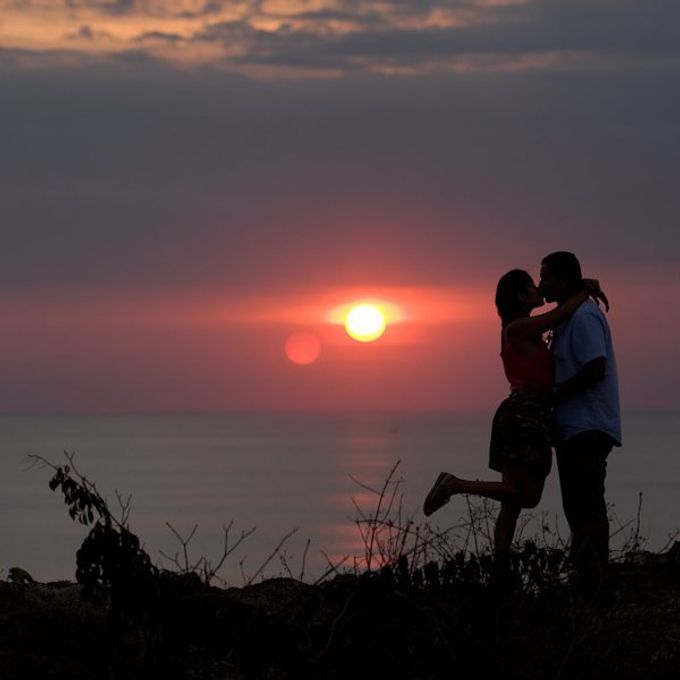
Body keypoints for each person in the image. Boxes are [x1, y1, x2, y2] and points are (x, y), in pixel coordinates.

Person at [422, 269, 606, 576]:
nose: (539, 289)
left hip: (519, 412)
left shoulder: (520, 329)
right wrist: (584, 291)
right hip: (527, 413)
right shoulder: (517, 328)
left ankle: (500, 568)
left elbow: (553, 318)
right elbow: (557, 315)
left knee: (512, 503)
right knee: (527, 497)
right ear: (522, 296)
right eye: (533, 286)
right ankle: (455, 484)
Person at [539, 251, 621, 602]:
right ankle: (587, 578)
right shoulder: (570, 315)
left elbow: (594, 368)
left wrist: (555, 393)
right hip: (574, 428)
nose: (541, 283)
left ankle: (595, 584)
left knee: (586, 503)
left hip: (586, 426)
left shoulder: (584, 317)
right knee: (577, 505)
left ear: (562, 279)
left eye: (546, 276)